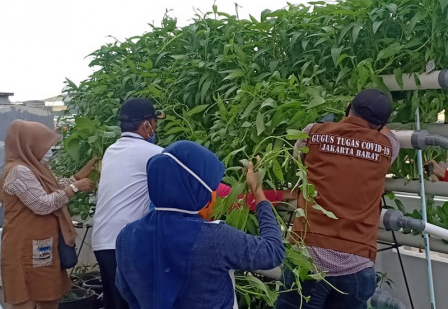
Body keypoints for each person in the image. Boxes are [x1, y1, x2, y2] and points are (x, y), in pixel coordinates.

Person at [115, 140, 286, 309]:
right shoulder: (215, 238)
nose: (214, 194)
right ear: (195, 189)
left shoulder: (127, 236)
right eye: (211, 188)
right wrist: (259, 195)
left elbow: (125, 290)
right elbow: (273, 252)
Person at [276, 89, 400, 309]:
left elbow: (298, 162)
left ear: (348, 108)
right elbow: (387, 134)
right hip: (356, 267)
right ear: (380, 125)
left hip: (308, 259)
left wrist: (332, 130)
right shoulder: (387, 146)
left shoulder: (312, 133)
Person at [0, 120, 95, 309]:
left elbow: (51, 188)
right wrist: (74, 188)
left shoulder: (35, 168)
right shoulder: (19, 171)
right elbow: (42, 204)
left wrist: (78, 177)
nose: (49, 151)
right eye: (45, 146)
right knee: (25, 301)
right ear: (29, 144)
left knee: (49, 297)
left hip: (42, 246)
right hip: (23, 248)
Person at [92, 98, 165, 309]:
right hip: (125, 243)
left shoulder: (111, 151)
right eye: (155, 122)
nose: (156, 128)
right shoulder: (154, 153)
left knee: (115, 303)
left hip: (102, 240)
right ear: (146, 125)